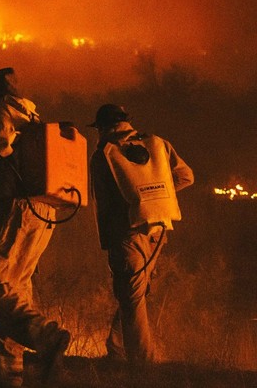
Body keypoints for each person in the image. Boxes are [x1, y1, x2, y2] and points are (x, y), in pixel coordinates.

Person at [0, 68, 70, 387]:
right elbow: (3, 190)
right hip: (42, 210)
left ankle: (46, 336)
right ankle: (5, 368)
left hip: (20, 209)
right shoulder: (29, 122)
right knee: (14, 285)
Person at [88, 103, 194, 366]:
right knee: (134, 293)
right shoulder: (157, 143)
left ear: (102, 128)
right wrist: (154, 198)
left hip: (127, 234)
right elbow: (186, 176)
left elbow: (103, 204)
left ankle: (142, 366)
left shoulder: (104, 154)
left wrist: (109, 240)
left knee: (132, 297)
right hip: (159, 230)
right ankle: (116, 348)